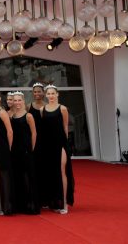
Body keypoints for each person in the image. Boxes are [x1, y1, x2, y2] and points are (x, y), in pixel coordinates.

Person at [40, 85, 74, 214]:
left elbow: (65, 127)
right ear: (46, 95)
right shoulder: (42, 109)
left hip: (60, 144)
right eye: (48, 94)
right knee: (51, 172)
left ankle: (64, 203)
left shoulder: (63, 109)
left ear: (57, 94)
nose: (51, 96)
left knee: (62, 171)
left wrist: (66, 145)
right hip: (47, 145)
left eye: (53, 93)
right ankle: (54, 201)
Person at [10, 92, 39, 214]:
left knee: (28, 177)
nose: (17, 102)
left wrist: (31, 148)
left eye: (19, 100)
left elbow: (34, 133)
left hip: (26, 150)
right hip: (15, 150)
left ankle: (30, 204)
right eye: (15, 100)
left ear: (23, 101)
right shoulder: (12, 116)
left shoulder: (28, 116)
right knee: (18, 176)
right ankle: (20, 204)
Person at [28, 83, 45, 206]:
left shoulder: (47, 106)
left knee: (44, 168)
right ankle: (35, 197)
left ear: (43, 93)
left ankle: (45, 198)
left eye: (39, 91)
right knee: (34, 169)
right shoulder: (28, 106)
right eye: (35, 92)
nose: (37, 94)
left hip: (45, 141)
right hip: (33, 141)